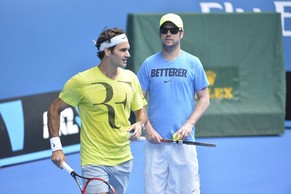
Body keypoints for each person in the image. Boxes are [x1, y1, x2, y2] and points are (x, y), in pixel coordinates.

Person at [48, 27, 147, 194]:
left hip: (123, 159)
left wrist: (139, 124)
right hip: (94, 159)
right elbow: (54, 109)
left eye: (128, 49)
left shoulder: (131, 78)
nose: (128, 54)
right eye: (123, 50)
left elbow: (141, 112)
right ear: (107, 51)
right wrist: (56, 147)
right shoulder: (81, 81)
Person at [137, 13, 210, 194]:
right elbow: (138, 100)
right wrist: (148, 128)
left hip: (184, 143)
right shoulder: (148, 64)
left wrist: (188, 125)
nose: (168, 34)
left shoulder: (193, 63)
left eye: (173, 30)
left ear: (181, 33)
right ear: (160, 33)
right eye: (164, 30)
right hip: (155, 144)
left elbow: (204, 98)